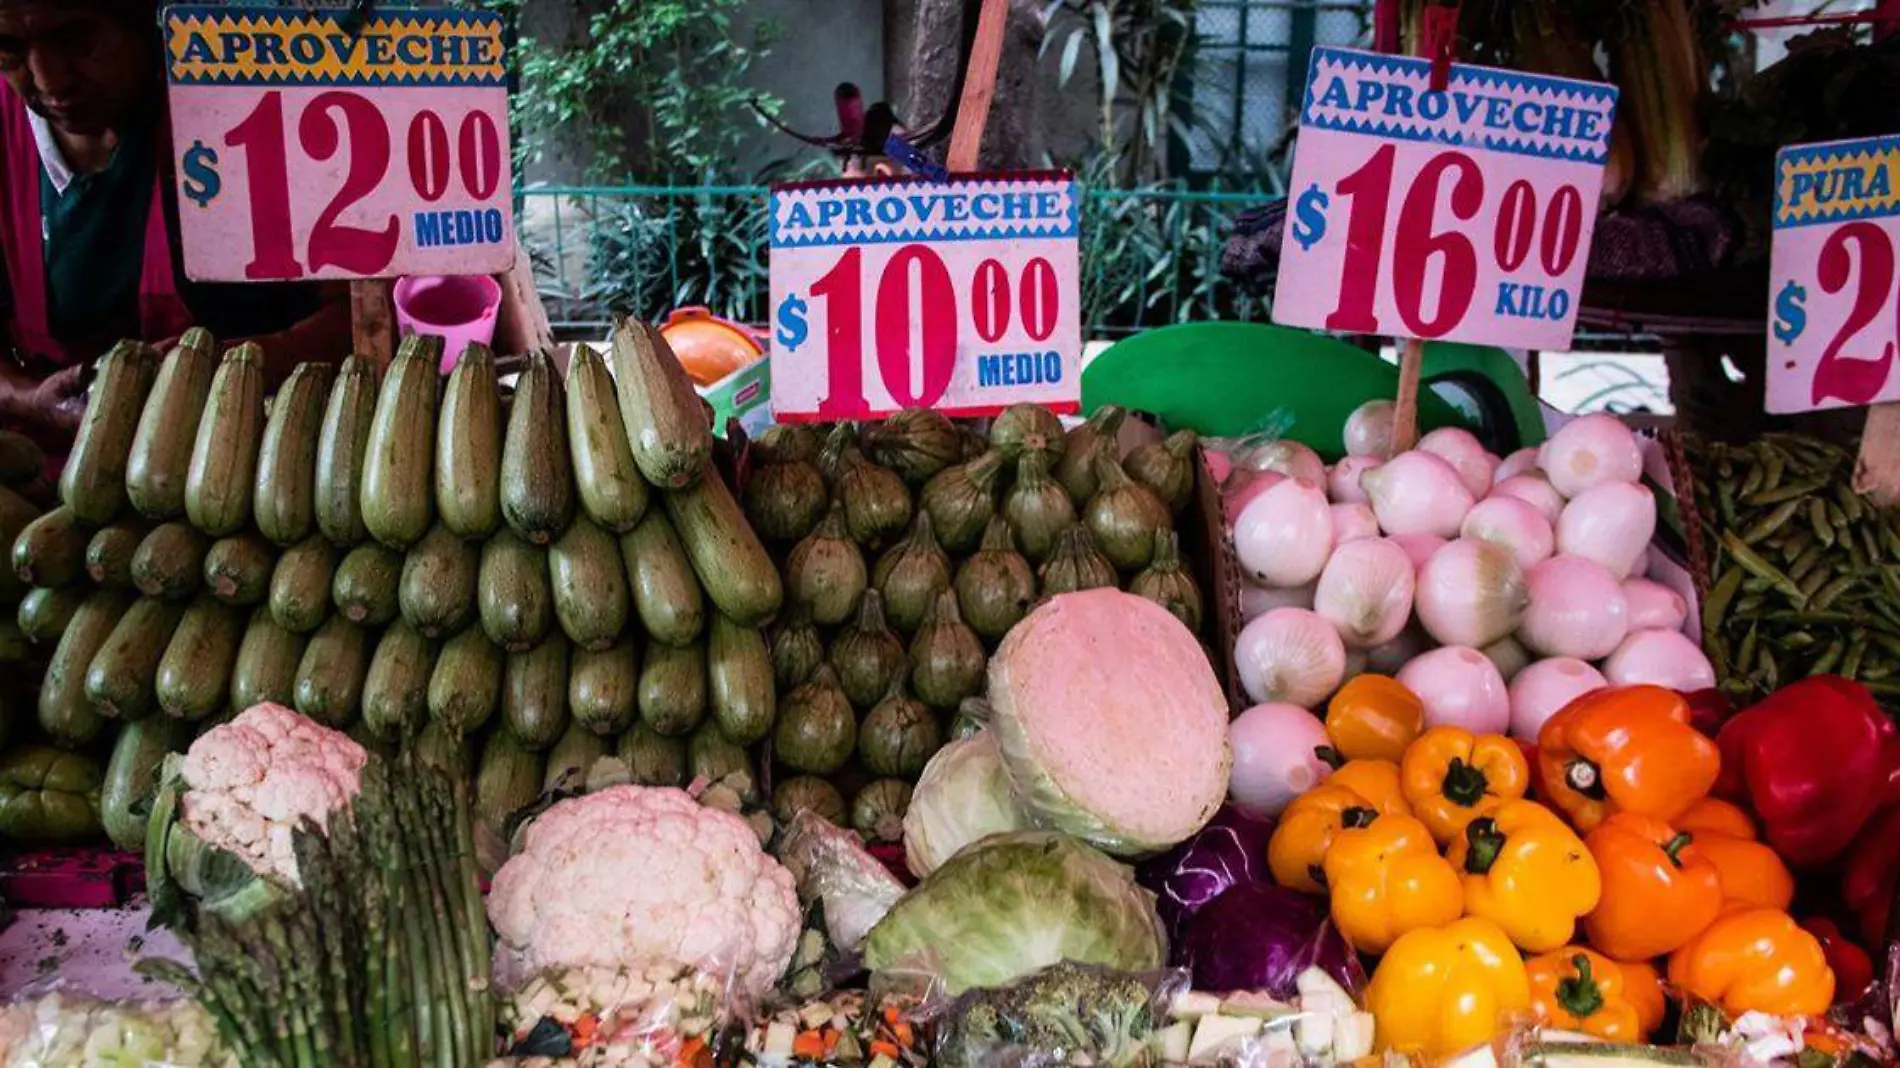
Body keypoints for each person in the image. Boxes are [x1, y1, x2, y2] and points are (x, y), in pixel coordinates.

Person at [0, 0, 350, 448]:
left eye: (76, 37)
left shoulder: (255, 102)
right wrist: (29, 400)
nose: (50, 79)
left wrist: (236, 365)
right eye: (9, 48)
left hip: (258, 453)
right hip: (54, 470)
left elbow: (360, 317)